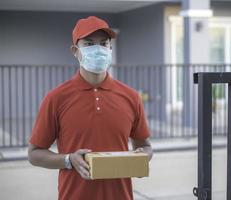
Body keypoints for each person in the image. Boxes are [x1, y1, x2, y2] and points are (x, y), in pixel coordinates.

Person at [27, 16, 153, 200]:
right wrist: (68, 160)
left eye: (104, 43)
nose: (99, 49)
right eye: (89, 43)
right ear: (75, 51)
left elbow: (145, 146)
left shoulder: (131, 97)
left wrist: (140, 159)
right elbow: (34, 154)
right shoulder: (56, 98)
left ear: (110, 48)